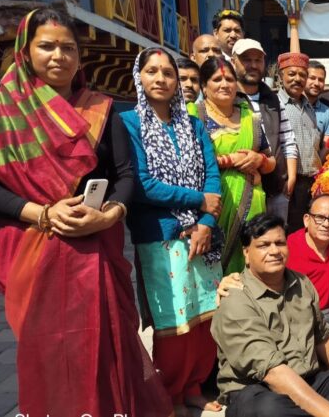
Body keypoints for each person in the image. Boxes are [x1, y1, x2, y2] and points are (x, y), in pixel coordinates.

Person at [0, 8, 171, 415]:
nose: (59, 56)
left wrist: (110, 215)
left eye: (68, 47)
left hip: (96, 248)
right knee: (50, 348)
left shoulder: (101, 109)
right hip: (36, 252)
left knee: (105, 341)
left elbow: (126, 175)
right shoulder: (5, 113)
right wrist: (41, 213)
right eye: (47, 46)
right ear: (25, 51)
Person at [121, 47, 223, 416]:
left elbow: (213, 176)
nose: (161, 79)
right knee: (174, 322)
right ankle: (170, 394)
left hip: (202, 235)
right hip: (160, 237)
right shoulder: (129, 123)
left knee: (205, 317)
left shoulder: (194, 125)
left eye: (168, 73)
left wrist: (206, 223)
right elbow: (143, 184)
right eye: (152, 71)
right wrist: (199, 201)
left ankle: (194, 386)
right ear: (140, 77)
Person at [211, 213, 329, 417]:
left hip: (305, 380)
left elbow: (322, 335)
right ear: (247, 253)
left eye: (280, 243)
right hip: (258, 390)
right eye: (264, 245)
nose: (274, 251)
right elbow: (272, 372)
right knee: (266, 408)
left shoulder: (300, 282)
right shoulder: (236, 299)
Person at [217, 194, 329, 351]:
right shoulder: (288, 246)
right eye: (320, 217)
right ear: (307, 220)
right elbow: (258, 275)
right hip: (294, 332)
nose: (326, 224)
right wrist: (231, 281)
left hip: (325, 327)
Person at [195, 56, 275, 276]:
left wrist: (260, 161)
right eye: (217, 79)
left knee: (253, 268)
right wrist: (228, 161)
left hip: (252, 204)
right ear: (204, 85)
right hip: (212, 205)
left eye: (229, 79)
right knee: (214, 275)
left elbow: (271, 162)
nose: (225, 84)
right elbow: (189, 163)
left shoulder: (251, 117)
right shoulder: (194, 116)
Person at [231, 38, 298, 222]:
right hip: (241, 188)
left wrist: (291, 176)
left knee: (275, 244)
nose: (253, 65)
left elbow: (287, 139)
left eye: (258, 60)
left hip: (276, 188)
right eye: (246, 59)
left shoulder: (272, 99)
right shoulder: (227, 98)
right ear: (233, 61)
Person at [277, 52, 323, 234]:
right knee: (289, 232)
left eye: (302, 75)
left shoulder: (309, 107)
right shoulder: (275, 105)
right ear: (281, 76)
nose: (298, 79)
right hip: (288, 183)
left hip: (310, 183)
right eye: (292, 74)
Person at [305, 60, 329, 146]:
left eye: (321, 80)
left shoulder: (328, 113)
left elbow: (327, 146)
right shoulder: (291, 106)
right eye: (312, 78)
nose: (316, 83)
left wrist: (316, 159)